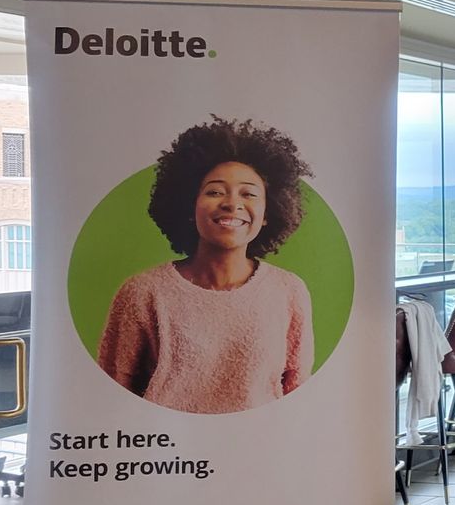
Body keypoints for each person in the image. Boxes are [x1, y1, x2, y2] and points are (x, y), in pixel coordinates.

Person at [98, 116, 316, 413]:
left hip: (261, 447)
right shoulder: (143, 292)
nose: (231, 203)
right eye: (215, 191)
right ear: (190, 206)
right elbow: (112, 392)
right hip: (167, 453)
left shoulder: (288, 291)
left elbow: (297, 389)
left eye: (249, 193)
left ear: (268, 212)